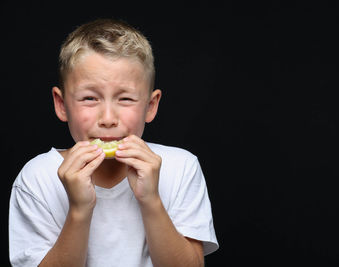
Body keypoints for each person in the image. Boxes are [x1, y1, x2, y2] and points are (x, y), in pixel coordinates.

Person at [9, 19, 218, 267]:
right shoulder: (36, 178)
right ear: (62, 104)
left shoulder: (181, 167)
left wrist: (151, 200)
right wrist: (79, 209)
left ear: (150, 107)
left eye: (126, 99)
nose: (108, 119)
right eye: (89, 98)